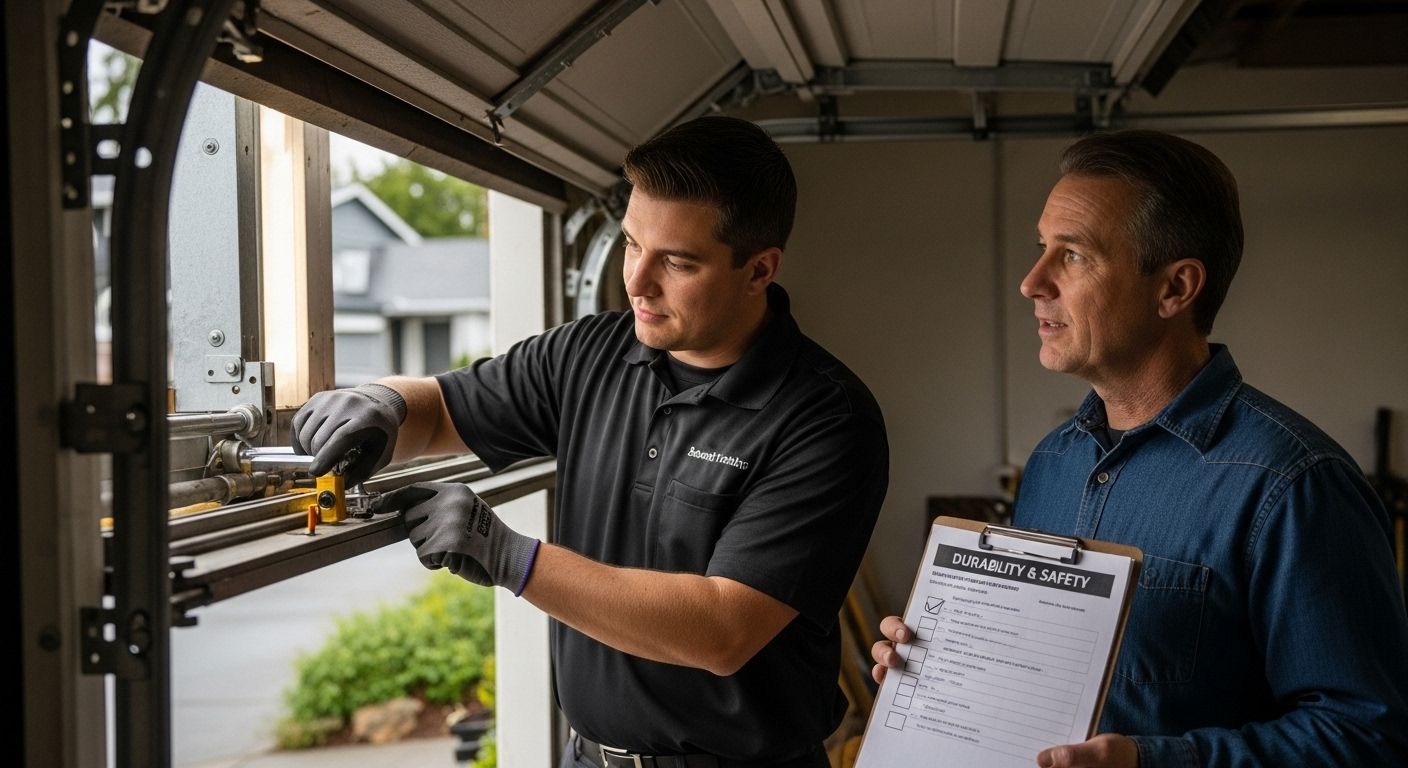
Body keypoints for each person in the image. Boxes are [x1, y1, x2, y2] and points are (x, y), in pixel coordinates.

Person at [293, 114, 889, 766]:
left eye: (677, 261)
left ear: (758, 270)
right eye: (633, 245)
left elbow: (723, 629)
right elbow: (440, 413)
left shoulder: (825, 419)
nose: (638, 281)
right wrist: (381, 403)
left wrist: (514, 560)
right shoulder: (590, 355)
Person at [870, 130, 1408, 766]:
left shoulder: (1293, 483)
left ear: (1175, 289)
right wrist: (943, 671)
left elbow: (1365, 737)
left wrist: (1150, 762)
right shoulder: (1053, 463)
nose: (1031, 282)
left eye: (1073, 256)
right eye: (1043, 248)